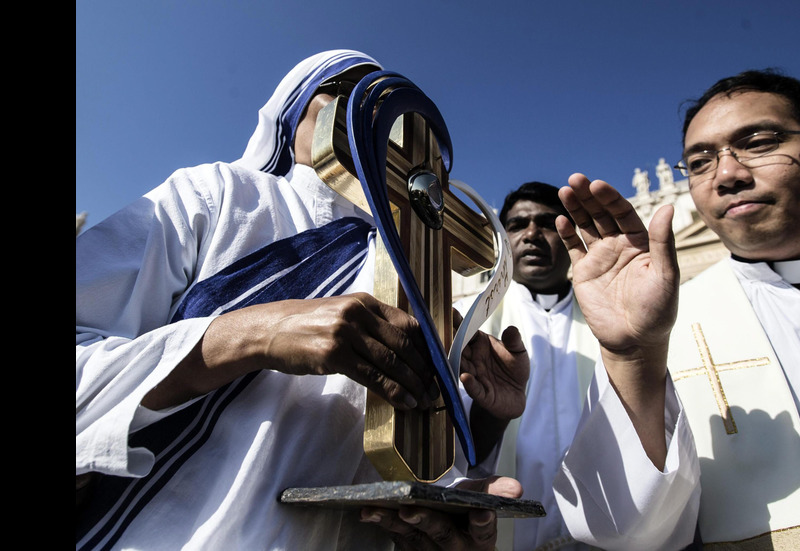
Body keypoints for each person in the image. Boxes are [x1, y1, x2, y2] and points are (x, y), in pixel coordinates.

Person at [76, 49, 529, 551]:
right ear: (290, 116)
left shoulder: (421, 273)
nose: (371, 110)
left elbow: (418, 471)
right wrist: (251, 335)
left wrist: (487, 424)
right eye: (346, 90)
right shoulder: (219, 197)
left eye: (388, 103)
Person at [555, 69, 800, 550]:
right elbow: (621, 532)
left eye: (759, 142)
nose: (727, 175)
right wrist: (634, 355)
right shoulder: (665, 327)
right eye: (699, 162)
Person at [456, 181, 698, 551]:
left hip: (617, 532)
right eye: (518, 225)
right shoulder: (468, 322)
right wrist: (493, 414)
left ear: (573, 234)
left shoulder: (621, 312)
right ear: (501, 238)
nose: (532, 235)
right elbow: (450, 453)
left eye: (548, 223)